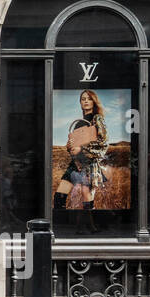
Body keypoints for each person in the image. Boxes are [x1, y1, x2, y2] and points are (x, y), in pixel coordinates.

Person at [54, 90, 109, 218]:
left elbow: (103, 144)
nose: (85, 101)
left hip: (89, 166)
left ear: (94, 101)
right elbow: (74, 146)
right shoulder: (79, 122)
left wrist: (82, 149)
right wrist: (70, 147)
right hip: (75, 164)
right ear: (80, 102)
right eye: (83, 99)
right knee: (59, 197)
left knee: (87, 201)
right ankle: (65, 227)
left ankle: (92, 228)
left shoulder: (98, 119)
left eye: (89, 99)